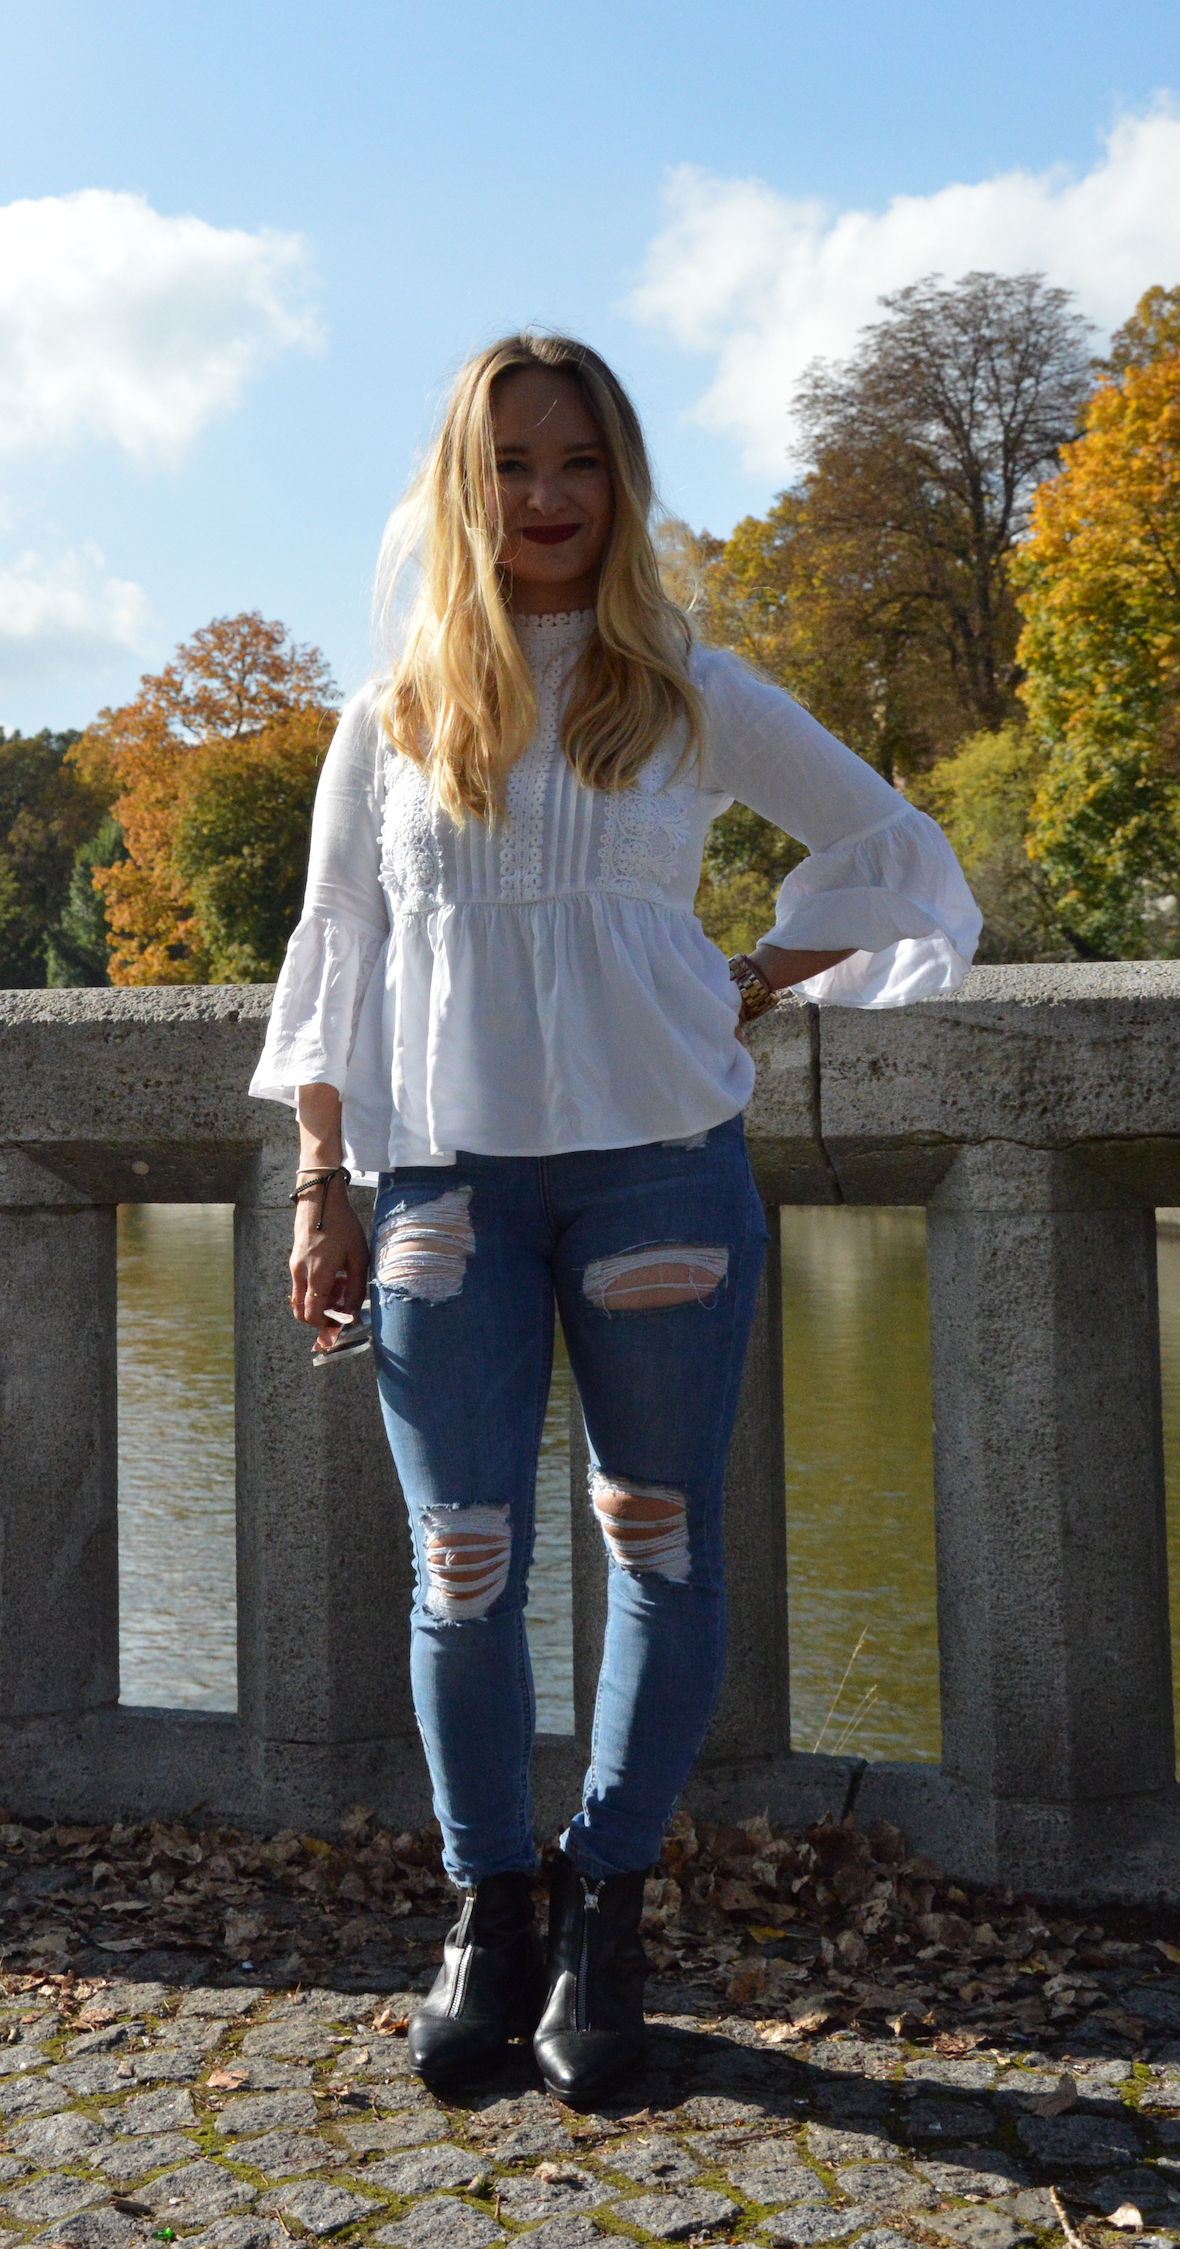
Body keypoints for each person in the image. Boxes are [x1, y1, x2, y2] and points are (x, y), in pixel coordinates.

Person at [249, 331, 979, 2106]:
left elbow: (895, 852)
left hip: (659, 1165)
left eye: (579, 461)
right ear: (463, 485)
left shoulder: (686, 689)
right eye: (512, 464)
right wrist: (322, 1184)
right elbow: (341, 956)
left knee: (658, 1545)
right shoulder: (393, 716)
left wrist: (746, 978)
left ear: (621, 481)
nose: (548, 496)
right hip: (446, 1185)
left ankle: (609, 1907)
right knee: (462, 1561)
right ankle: (488, 1911)